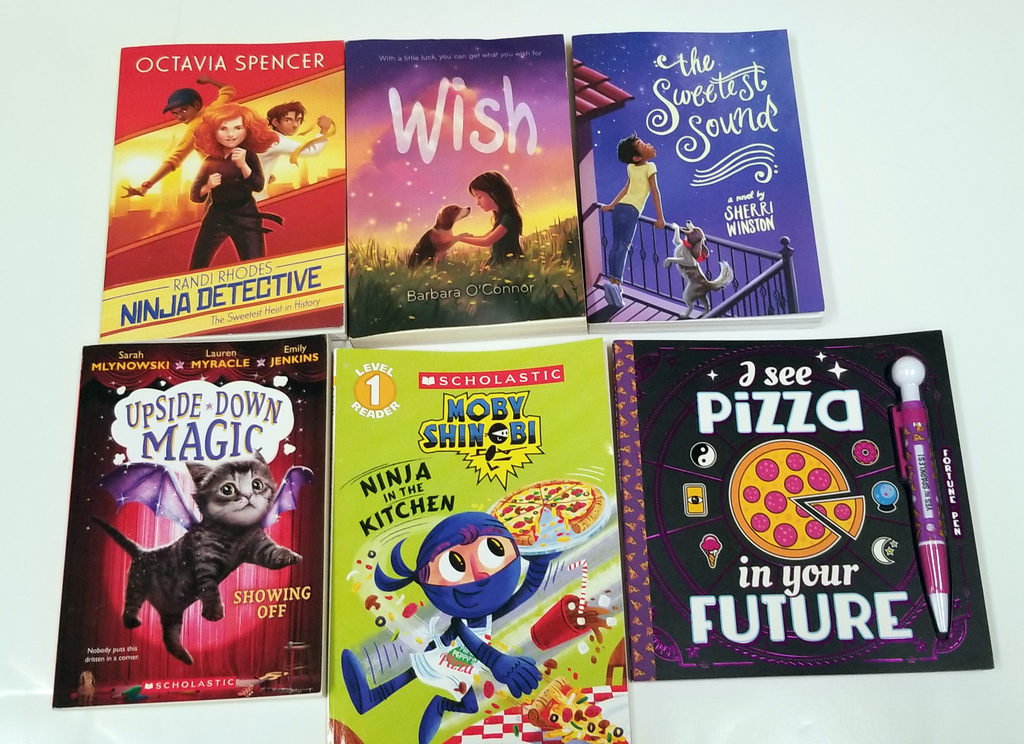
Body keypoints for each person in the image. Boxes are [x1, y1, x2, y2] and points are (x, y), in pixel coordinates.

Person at [340, 512, 556, 744]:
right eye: (455, 564)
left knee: (469, 705)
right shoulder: (460, 623)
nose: (479, 574)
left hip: (464, 665)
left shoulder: (487, 613)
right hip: (447, 655)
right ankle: (372, 698)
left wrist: (540, 564)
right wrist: (497, 662)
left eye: (492, 549)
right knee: (416, 672)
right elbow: (474, 644)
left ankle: (440, 704)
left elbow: (524, 593)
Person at [188, 103, 279, 270]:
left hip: (246, 216)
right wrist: (208, 186)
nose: (231, 135)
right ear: (212, 132)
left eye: (238, 128)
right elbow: (195, 194)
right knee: (196, 267)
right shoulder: (210, 160)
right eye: (223, 129)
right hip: (216, 217)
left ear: (248, 130)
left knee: (255, 267)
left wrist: (243, 165)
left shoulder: (249, 156)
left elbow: (258, 185)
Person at [122, 76, 235, 198]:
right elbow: (228, 90)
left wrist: (146, 186)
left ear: (196, 105)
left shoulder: (195, 128)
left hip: (223, 182)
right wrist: (209, 80)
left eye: (184, 110)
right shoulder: (215, 108)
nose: (180, 117)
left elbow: (175, 159)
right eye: (175, 113)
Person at [599, 134, 666, 308]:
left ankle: (612, 282)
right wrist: (660, 218)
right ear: (637, 157)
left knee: (616, 245)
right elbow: (655, 192)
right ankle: (617, 285)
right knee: (624, 246)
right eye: (642, 145)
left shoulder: (631, 167)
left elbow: (626, 188)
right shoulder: (650, 167)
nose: (648, 144)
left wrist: (612, 205)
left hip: (620, 209)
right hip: (631, 210)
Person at [256, 101, 335, 200]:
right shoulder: (277, 140)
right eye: (288, 120)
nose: (295, 125)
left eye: (298, 120)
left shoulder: (263, 135)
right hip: (255, 196)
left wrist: (263, 173)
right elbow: (311, 150)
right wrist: (324, 130)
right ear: (275, 122)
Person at [456, 171, 525, 266]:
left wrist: (457, 239)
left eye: (479, 197)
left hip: (510, 264)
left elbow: (487, 241)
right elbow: (484, 237)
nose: (477, 203)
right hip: (501, 263)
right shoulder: (501, 217)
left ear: (494, 194)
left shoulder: (508, 218)